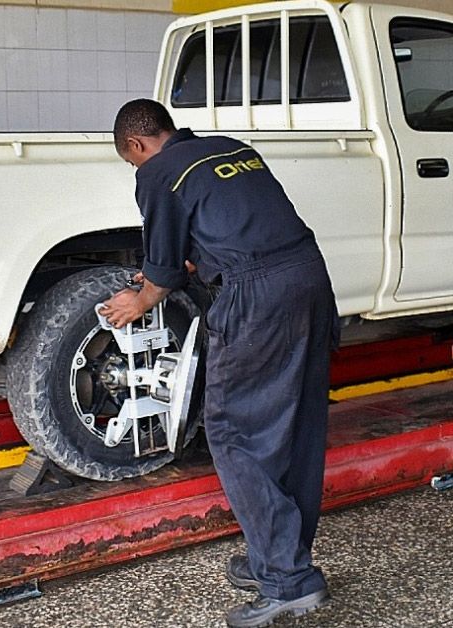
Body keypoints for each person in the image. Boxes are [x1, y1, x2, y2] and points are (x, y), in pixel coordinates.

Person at [99, 99, 339, 628]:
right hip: (310, 279)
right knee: (295, 427)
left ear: (137, 146)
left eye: (132, 162)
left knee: (233, 433)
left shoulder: (159, 171)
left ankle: (287, 580)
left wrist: (137, 301)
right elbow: (235, 230)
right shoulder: (232, 150)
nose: (138, 170)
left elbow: (161, 269)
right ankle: (276, 560)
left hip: (259, 299)